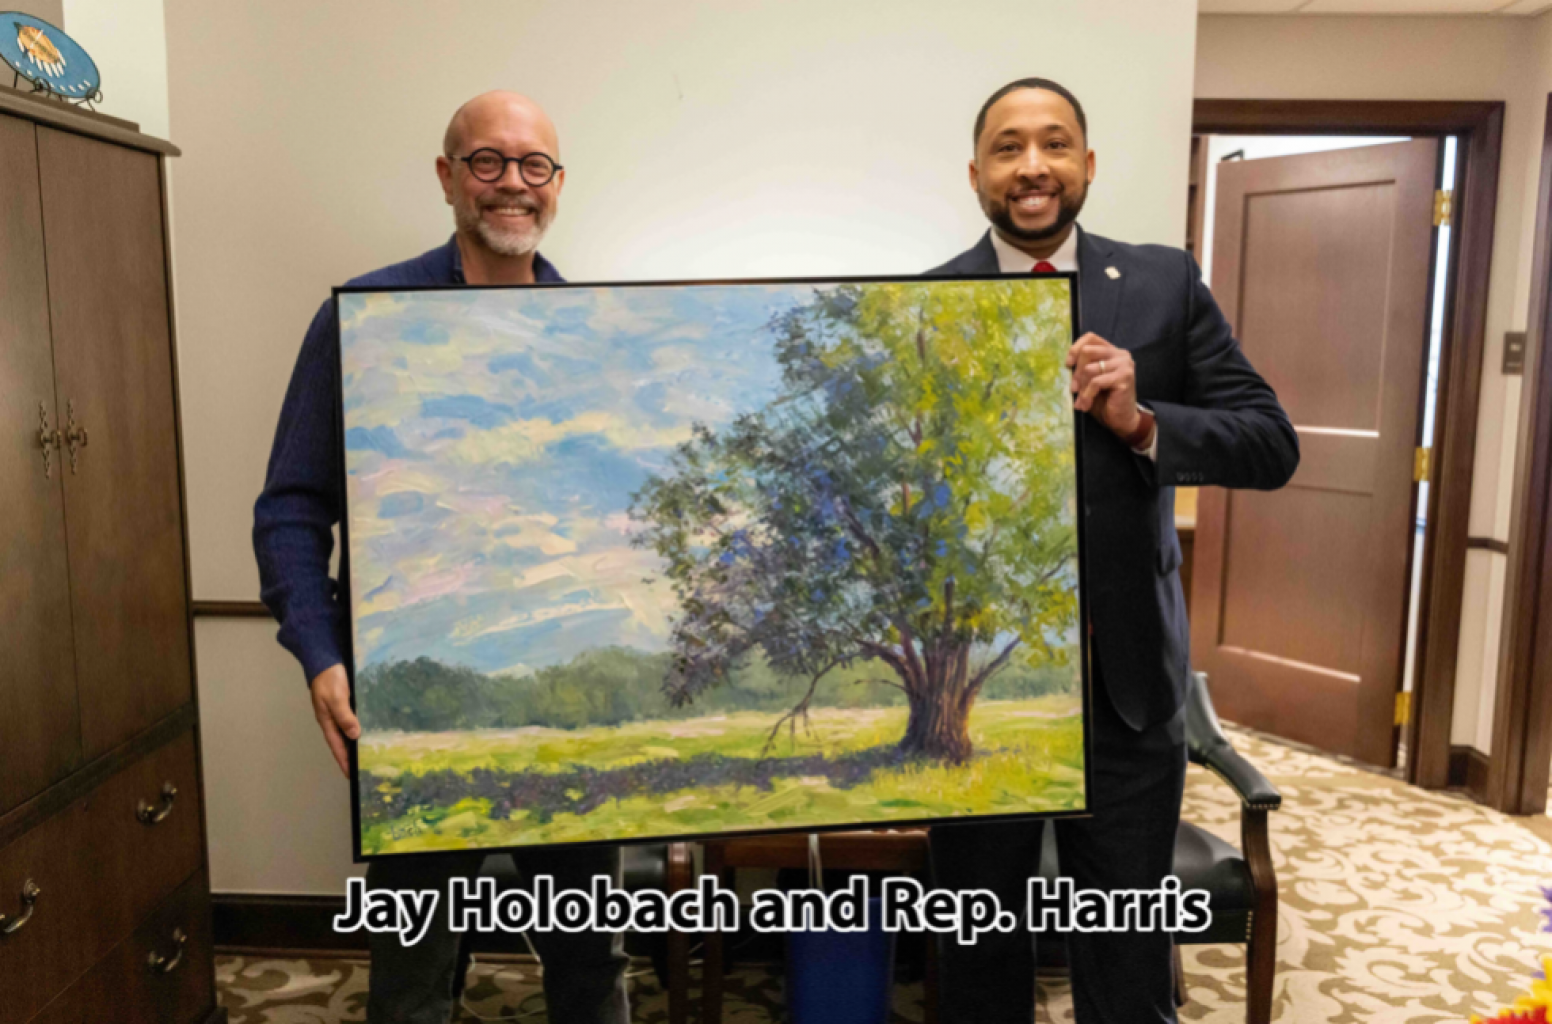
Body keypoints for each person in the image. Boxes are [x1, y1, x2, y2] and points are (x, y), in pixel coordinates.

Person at [926, 78, 1299, 1024]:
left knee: (1129, 968)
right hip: (980, 704)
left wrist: (1143, 423)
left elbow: (1270, 444)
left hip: (1126, 697)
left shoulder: (1165, 283)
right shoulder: (920, 306)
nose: (1033, 166)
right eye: (1009, 148)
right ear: (977, 173)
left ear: (1087, 165)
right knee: (975, 965)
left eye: (1054, 144)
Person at [253, 91, 630, 1024]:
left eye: (532, 164)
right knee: (415, 971)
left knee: (592, 966)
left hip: (569, 716)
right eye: (486, 161)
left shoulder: (598, 334)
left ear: (559, 185)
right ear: (447, 177)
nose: (512, 183)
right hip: (414, 707)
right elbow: (290, 510)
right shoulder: (365, 318)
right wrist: (319, 652)